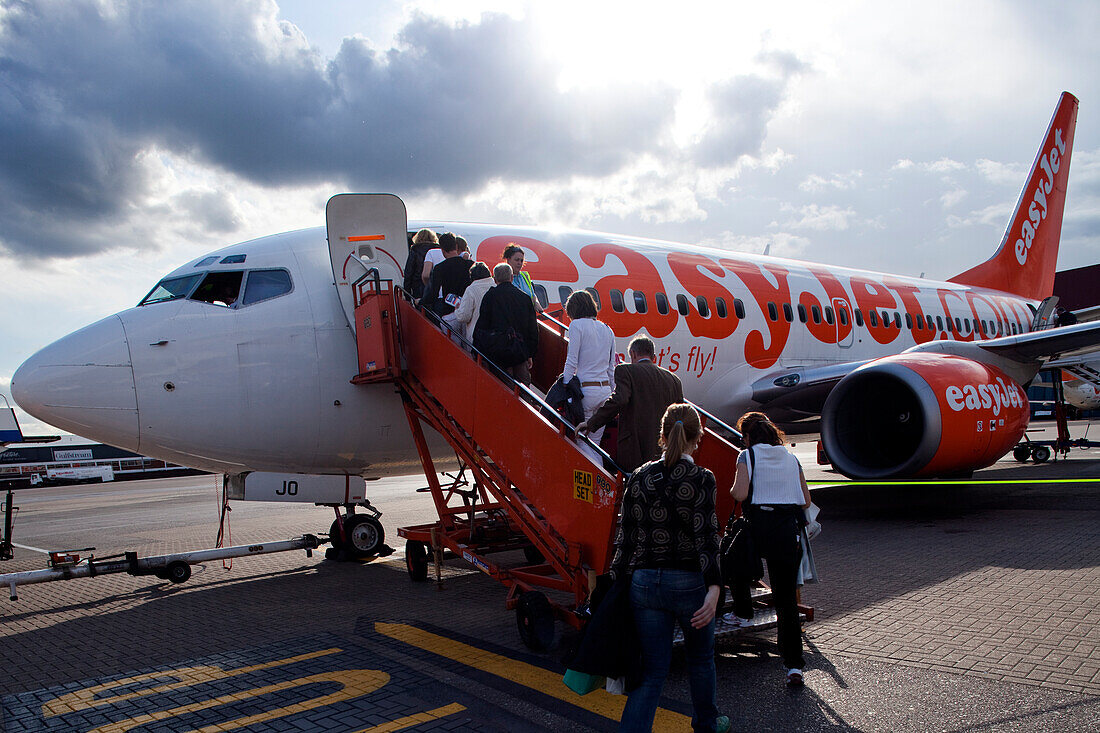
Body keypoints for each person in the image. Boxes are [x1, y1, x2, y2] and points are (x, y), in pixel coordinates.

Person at [610, 403, 729, 733]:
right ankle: (707, 724)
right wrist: (715, 588)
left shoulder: (639, 477)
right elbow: (708, 537)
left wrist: (614, 584)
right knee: (701, 660)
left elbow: (626, 539)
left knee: (652, 672)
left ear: (661, 435)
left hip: (645, 584)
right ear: (698, 437)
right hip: (690, 583)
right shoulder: (702, 479)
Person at [729, 411, 812, 688]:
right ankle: (794, 666)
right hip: (786, 531)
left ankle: (742, 613)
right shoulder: (792, 458)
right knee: (786, 600)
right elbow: (805, 500)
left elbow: (739, 494)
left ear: (748, 437)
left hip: (757, 528)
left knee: (734, 563)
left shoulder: (747, 456)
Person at [578, 336, 683, 473]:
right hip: (664, 451)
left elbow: (619, 400)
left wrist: (591, 423)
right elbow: (681, 414)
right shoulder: (674, 380)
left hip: (635, 451)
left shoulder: (626, 371)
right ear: (654, 357)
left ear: (633, 354)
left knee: (633, 487)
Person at [562, 290, 616, 446]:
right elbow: (610, 368)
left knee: (582, 442)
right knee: (595, 443)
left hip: (586, 391)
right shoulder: (607, 329)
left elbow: (571, 360)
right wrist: (613, 392)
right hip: (604, 391)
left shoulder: (576, 325)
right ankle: (599, 470)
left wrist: (565, 384)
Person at [473, 263, 539, 385]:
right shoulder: (524, 298)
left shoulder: (490, 296)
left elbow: (482, 326)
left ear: (494, 279)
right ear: (511, 278)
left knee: (503, 388)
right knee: (523, 392)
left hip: (498, 354)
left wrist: (477, 350)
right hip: (520, 353)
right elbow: (533, 330)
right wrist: (530, 353)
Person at [422, 232, 474, 326]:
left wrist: (421, 301)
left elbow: (433, 293)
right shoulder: (470, 265)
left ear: (442, 250)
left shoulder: (440, 268)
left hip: (450, 312)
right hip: (468, 312)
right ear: (456, 247)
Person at [453, 262, 493, 341]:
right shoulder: (495, 286)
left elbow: (464, 316)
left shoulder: (471, 289)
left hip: (476, 336)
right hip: (494, 336)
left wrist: (457, 309)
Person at [502, 243, 543, 313]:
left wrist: (537, 303)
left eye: (521, 260)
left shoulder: (525, 276)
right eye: (517, 260)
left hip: (527, 318)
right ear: (508, 260)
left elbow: (532, 295)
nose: (519, 263)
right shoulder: (503, 277)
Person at [402, 229, 438, 300]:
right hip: (435, 285)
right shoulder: (438, 249)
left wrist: (407, 293)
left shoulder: (415, 250)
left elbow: (409, 272)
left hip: (418, 286)